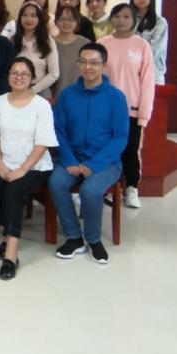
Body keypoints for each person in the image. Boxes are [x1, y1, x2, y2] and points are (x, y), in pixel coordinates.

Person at [49, 42, 129, 265]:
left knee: (91, 190)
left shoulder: (116, 97)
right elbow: (58, 130)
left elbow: (120, 137)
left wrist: (93, 165)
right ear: (78, 64)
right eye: (83, 62)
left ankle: (93, 240)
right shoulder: (67, 95)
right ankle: (74, 238)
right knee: (56, 183)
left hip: (106, 161)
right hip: (72, 157)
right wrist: (69, 159)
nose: (88, 67)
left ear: (104, 65)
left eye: (94, 62)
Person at [0, 57, 58, 280]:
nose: (19, 77)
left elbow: (43, 142)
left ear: (32, 78)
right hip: (4, 161)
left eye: (24, 74)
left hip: (35, 166)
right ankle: (7, 234)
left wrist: (23, 169)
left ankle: (11, 256)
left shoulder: (41, 105)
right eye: (14, 73)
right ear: (8, 76)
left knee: (13, 191)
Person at [100, 3, 155, 209]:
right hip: (105, 109)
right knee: (105, 148)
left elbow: (147, 82)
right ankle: (105, 187)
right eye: (117, 16)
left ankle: (131, 188)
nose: (121, 20)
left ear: (134, 20)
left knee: (131, 150)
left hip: (132, 109)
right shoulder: (102, 43)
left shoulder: (142, 46)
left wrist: (144, 113)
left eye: (126, 17)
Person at [11, 1, 59, 98]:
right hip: (16, 90)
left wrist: (33, 90)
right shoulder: (12, 40)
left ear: (39, 19)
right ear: (20, 18)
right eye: (25, 15)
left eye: (33, 16)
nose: (28, 19)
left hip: (41, 91)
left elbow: (54, 73)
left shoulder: (48, 41)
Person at [130, 0, 169, 83]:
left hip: (153, 73)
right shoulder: (128, 20)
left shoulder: (159, 22)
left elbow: (154, 51)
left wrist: (133, 58)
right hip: (131, 72)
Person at [51, 5, 88, 99]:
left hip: (81, 96)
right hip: (54, 98)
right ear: (56, 21)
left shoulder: (85, 44)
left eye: (71, 19)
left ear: (77, 22)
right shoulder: (49, 43)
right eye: (62, 19)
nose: (66, 22)